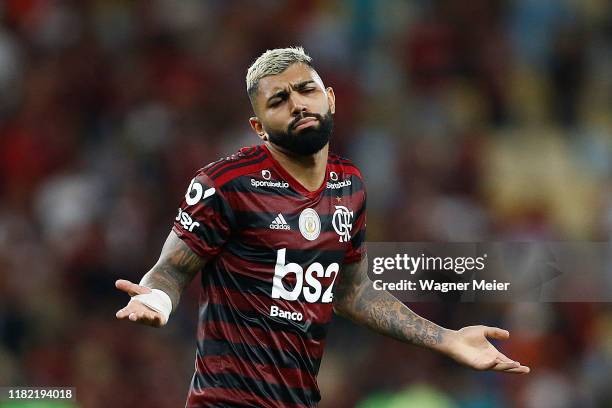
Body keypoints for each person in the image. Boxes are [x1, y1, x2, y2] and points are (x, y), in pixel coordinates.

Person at [115, 46, 529, 407]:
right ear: (259, 128)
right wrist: (158, 301)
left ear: (329, 99)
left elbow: (352, 291)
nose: (297, 104)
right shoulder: (225, 184)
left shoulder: (349, 186)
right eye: (278, 100)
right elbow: (171, 269)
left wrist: (448, 339)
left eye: (306, 90)